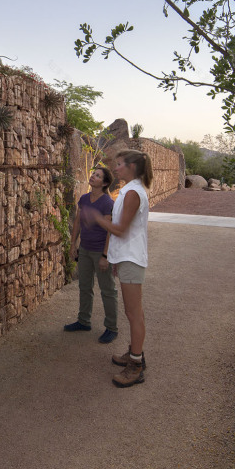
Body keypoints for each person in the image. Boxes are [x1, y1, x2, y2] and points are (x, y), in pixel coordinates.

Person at [96, 149, 152, 387]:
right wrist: (116, 258)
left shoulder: (132, 193)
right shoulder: (130, 190)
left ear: (132, 167)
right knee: (133, 312)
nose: (115, 168)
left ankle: (136, 365)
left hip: (131, 258)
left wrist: (97, 219)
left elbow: (119, 230)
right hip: (127, 258)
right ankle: (135, 353)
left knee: (133, 313)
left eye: (119, 164)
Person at [63, 166, 119, 343]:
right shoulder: (84, 199)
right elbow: (78, 222)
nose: (93, 176)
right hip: (85, 250)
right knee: (85, 287)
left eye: (98, 176)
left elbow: (110, 231)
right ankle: (83, 321)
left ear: (105, 183)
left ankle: (111, 328)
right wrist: (73, 244)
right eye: (93, 174)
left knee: (107, 290)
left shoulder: (107, 203)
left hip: (100, 251)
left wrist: (105, 256)